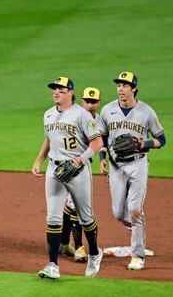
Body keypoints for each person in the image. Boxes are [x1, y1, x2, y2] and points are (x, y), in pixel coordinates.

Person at [32, 77, 103, 280]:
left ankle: (94, 253)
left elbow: (97, 143)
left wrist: (81, 159)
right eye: (54, 89)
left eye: (61, 90)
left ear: (71, 93)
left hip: (78, 170)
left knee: (86, 217)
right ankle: (53, 264)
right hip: (54, 169)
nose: (56, 92)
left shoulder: (81, 115)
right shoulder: (48, 114)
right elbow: (49, 139)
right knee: (52, 218)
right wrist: (39, 160)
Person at [99, 71, 166, 270]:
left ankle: (138, 255)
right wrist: (102, 158)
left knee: (135, 209)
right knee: (119, 212)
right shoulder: (107, 110)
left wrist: (142, 143)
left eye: (125, 85)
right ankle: (139, 229)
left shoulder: (146, 111)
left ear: (133, 89)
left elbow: (161, 140)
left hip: (138, 164)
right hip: (116, 165)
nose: (120, 89)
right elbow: (102, 138)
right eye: (118, 85)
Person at [60, 87, 104, 263]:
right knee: (76, 206)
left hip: (83, 167)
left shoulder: (100, 121)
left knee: (72, 205)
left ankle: (64, 243)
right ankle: (79, 247)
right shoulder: (73, 116)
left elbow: (103, 141)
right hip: (68, 166)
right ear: (81, 101)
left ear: (98, 103)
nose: (90, 105)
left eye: (93, 102)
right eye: (87, 101)